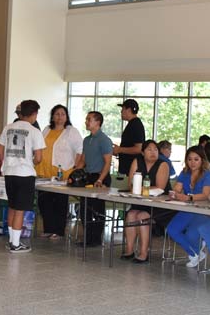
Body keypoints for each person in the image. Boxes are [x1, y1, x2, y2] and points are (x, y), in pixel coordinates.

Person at [0, 100, 45, 253]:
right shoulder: (34, 131)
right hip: (24, 173)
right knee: (20, 210)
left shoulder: (8, 128)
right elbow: (38, 158)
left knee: (12, 206)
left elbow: (0, 150)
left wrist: (6, 162)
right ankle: (16, 244)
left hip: (9, 172)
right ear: (34, 114)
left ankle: (12, 240)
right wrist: (28, 161)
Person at [36, 105, 83, 240]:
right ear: (52, 116)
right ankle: (48, 228)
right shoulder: (46, 129)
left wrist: (76, 168)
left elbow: (80, 150)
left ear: (67, 117)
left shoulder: (71, 131)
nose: (60, 117)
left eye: (63, 114)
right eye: (57, 114)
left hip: (63, 171)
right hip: (44, 171)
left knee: (59, 202)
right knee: (44, 201)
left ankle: (58, 230)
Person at [122, 140, 170, 263]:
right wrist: (137, 188)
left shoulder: (163, 164)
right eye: (149, 149)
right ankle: (129, 250)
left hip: (159, 203)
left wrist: (140, 188)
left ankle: (144, 252)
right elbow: (130, 184)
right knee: (131, 215)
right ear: (143, 152)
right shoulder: (137, 161)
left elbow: (160, 187)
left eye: (155, 150)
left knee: (142, 216)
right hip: (140, 201)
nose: (153, 152)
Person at [166, 146, 210, 268]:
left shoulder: (208, 174)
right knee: (171, 229)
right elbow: (178, 187)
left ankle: (196, 249)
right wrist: (175, 193)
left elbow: (205, 194)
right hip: (187, 209)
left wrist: (189, 197)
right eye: (189, 159)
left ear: (202, 160)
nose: (192, 162)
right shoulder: (185, 172)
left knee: (191, 234)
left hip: (202, 211)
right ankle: (196, 253)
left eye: (196, 159)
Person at [74, 111, 113, 247]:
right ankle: (88, 237)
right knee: (85, 208)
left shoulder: (104, 140)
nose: (86, 122)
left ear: (98, 122)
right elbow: (83, 160)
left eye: (89, 119)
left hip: (100, 176)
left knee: (97, 209)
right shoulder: (87, 140)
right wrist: (74, 173)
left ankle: (96, 238)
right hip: (89, 176)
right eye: (86, 119)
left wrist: (100, 180)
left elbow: (108, 162)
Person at [113, 99, 145, 176]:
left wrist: (120, 149)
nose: (121, 112)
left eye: (123, 109)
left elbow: (138, 148)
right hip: (127, 168)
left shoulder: (136, 125)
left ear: (129, 110)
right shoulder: (132, 124)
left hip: (131, 170)